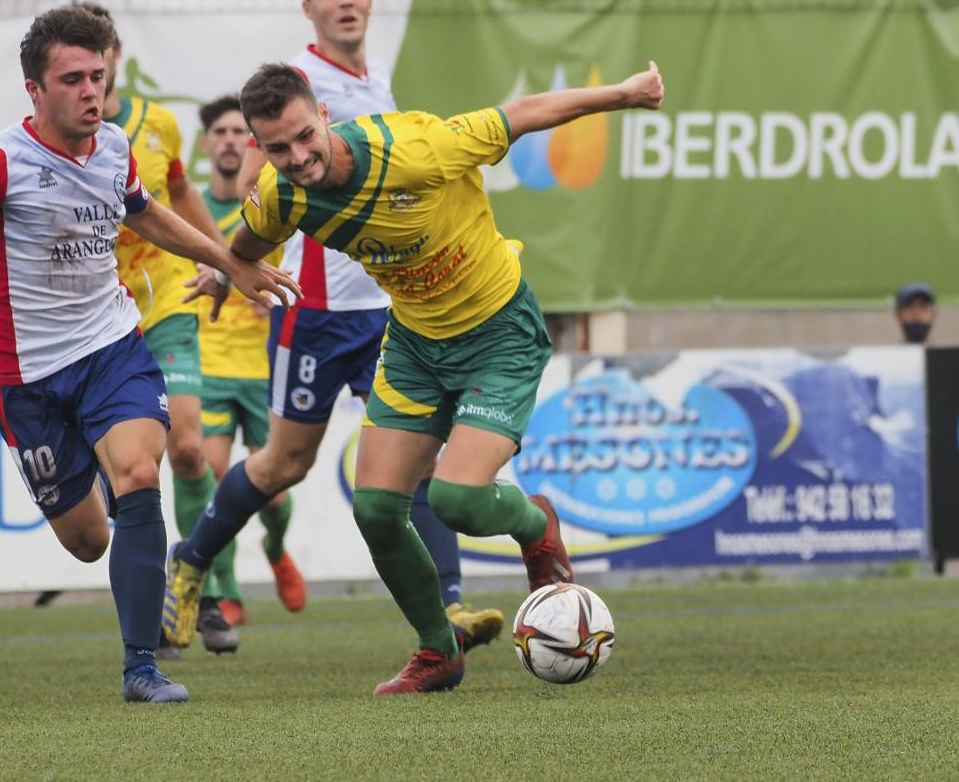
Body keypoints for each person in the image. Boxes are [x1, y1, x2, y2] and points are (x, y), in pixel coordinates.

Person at [0, 6, 299, 703]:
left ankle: (141, 668)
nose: (91, 91)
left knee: (137, 472)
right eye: (72, 79)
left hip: (111, 346)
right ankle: (112, 517)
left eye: (98, 75)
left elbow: (147, 212)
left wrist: (229, 262)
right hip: (27, 377)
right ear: (35, 90)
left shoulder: (117, 148)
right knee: (89, 541)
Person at [168, 59, 665, 694]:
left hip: (497, 335)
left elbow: (522, 115)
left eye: (303, 137)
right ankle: (438, 651)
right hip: (414, 345)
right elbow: (252, 237)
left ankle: (536, 525)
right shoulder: (279, 191)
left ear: (324, 116)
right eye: (276, 148)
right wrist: (222, 270)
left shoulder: (416, 146)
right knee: (376, 509)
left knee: (455, 499)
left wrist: (625, 93)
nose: (295, 157)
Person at [231, 0, 505, 643]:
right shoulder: (301, 85)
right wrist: (233, 254)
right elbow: (259, 188)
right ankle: (192, 560)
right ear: (309, 8)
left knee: (418, 458)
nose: (346, 0)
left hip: (383, 309)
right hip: (315, 312)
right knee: (284, 463)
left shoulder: (374, 74)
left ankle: (447, 607)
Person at [78, 1, 239, 655]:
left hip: (165, 299)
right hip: (97, 321)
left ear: (115, 56)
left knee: (190, 449)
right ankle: (161, 597)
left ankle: (201, 585)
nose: (94, 70)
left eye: (102, 53)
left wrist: (223, 258)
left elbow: (180, 194)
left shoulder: (160, 125)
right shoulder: (59, 141)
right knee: (126, 474)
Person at [195, 95, 306, 626]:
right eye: (219, 132)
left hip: (264, 370)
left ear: (254, 145)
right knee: (213, 476)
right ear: (205, 144)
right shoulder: (188, 212)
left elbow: (302, 269)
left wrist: (284, 303)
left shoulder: (267, 207)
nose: (229, 140)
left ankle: (277, 548)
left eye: (240, 132)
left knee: (273, 493)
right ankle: (226, 589)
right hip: (211, 367)